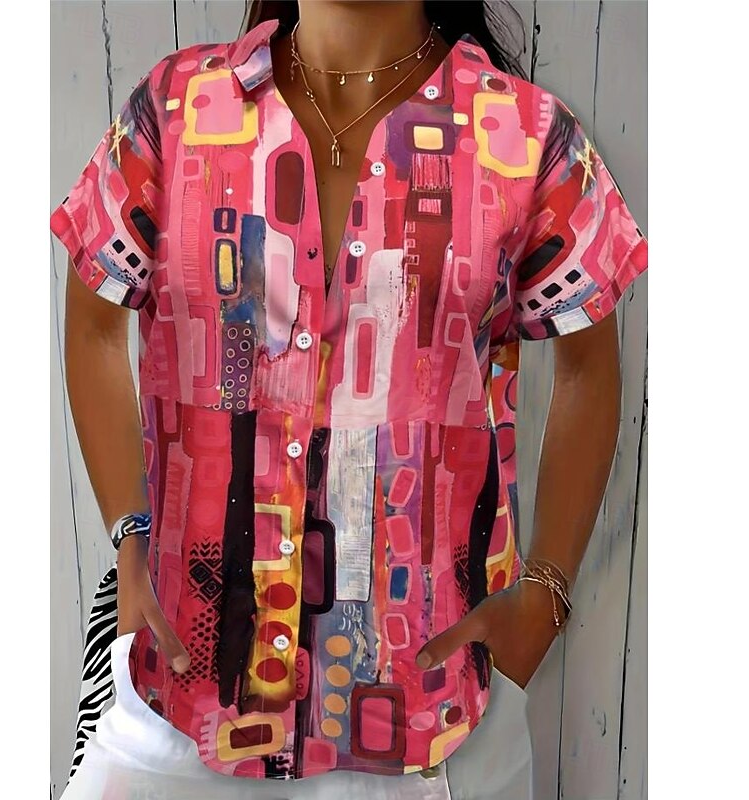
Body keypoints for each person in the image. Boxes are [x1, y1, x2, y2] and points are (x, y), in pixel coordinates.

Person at [51, 1, 648, 798]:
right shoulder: (175, 110)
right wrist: (131, 534)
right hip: (181, 707)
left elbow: (588, 366)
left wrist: (544, 594)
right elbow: (95, 316)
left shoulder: (528, 139)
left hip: (432, 727)